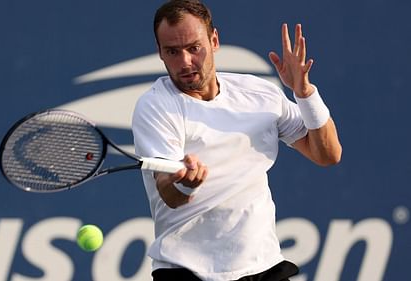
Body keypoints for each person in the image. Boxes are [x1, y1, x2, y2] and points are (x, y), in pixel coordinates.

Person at [131, 0, 342, 280]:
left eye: (194, 48)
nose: (184, 62)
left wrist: (305, 94)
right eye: (172, 52)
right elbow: (167, 193)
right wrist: (184, 183)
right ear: (159, 52)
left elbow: (327, 154)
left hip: (263, 266)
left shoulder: (258, 93)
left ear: (214, 40)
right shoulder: (156, 106)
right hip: (187, 271)